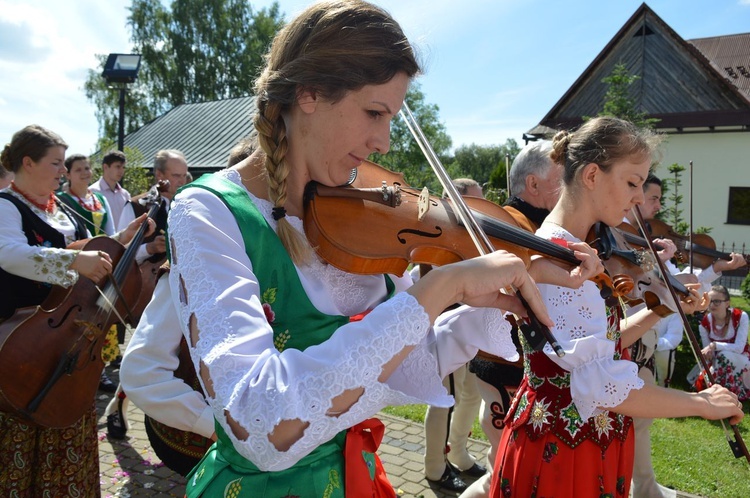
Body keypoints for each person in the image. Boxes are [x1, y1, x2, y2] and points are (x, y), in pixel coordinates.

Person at [121, 1, 566, 496]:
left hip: (358, 477)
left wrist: (484, 300)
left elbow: (402, 365)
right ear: (309, 93)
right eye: (374, 112)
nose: (384, 141)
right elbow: (258, 421)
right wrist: (441, 287)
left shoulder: (360, 217)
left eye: (392, 117)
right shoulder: (207, 212)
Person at [489, 116, 744, 498]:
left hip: (586, 440)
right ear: (592, 175)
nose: (640, 198)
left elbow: (601, 344)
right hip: (561, 451)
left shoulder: (577, 250)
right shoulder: (555, 261)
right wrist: (701, 403)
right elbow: (607, 385)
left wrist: (660, 309)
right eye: (632, 183)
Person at [0, 124, 152, 497]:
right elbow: (8, 253)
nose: (62, 172)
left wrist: (120, 241)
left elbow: (82, 253)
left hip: (64, 336)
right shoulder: (5, 205)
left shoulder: (60, 208)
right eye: (55, 163)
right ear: (27, 162)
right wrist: (72, 262)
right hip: (23, 340)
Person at [622, 174, 746, 498]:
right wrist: (656, 261)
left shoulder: (643, 239)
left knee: (641, 426)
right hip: (621, 350)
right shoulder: (617, 237)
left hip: (641, 354)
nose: (658, 206)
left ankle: (645, 487)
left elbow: (676, 280)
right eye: (653, 198)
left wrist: (706, 278)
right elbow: (628, 281)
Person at [462, 140, 562, 498]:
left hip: (523, 365)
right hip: (503, 366)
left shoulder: (542, 223)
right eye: (561, 180)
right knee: (507, 471)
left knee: (503, 470)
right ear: (533, 184)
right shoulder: (506, 224)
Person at [105, 149, 189, 439]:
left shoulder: (187, 202)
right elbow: (119, 253)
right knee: (147, 351)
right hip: (145, 287)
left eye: (183, 175)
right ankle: (118, 405)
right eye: (175, 175)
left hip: (178, 288)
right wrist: (149, 249)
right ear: (159, 175)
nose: (181, 180)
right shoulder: (137, 205)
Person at [421, 178, 486, 493]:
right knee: (444, 399)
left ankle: (458, 452)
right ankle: (435, 465)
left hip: (473, 325)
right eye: (476, 203)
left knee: (471, 394)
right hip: (441, 324)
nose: (482, 211)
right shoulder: (438, 230)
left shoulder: (475, 234)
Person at [57, 153, 120, 392]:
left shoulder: (99, 200)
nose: (85, 172)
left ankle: (97, 369)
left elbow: (111, 232)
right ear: (69, 174)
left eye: (87, 168)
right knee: (76, 322)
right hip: (78, 266)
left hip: (101, 266)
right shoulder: (61, 199)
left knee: (100, 320)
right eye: (79, 169)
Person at [696, 284, 750, 401]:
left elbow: (739, 348)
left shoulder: (741, 317)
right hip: (717, 361)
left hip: (742, 358)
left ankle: (729, 395)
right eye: (709, 301)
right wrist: (711, 351)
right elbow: (709, 354)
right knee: (705, 373)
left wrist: (715, 345)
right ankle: (719, 394)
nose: (712, 305)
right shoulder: (704, 323)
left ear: (727, 303)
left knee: (724, 356)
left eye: (717, 301)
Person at [89, 150, 130, 230]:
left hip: (124, 241)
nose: (121, 171)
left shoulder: (125, 194)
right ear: (105, 167)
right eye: (117, 166)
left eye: (123, 167)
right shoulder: (93, 192)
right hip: (103, 241)